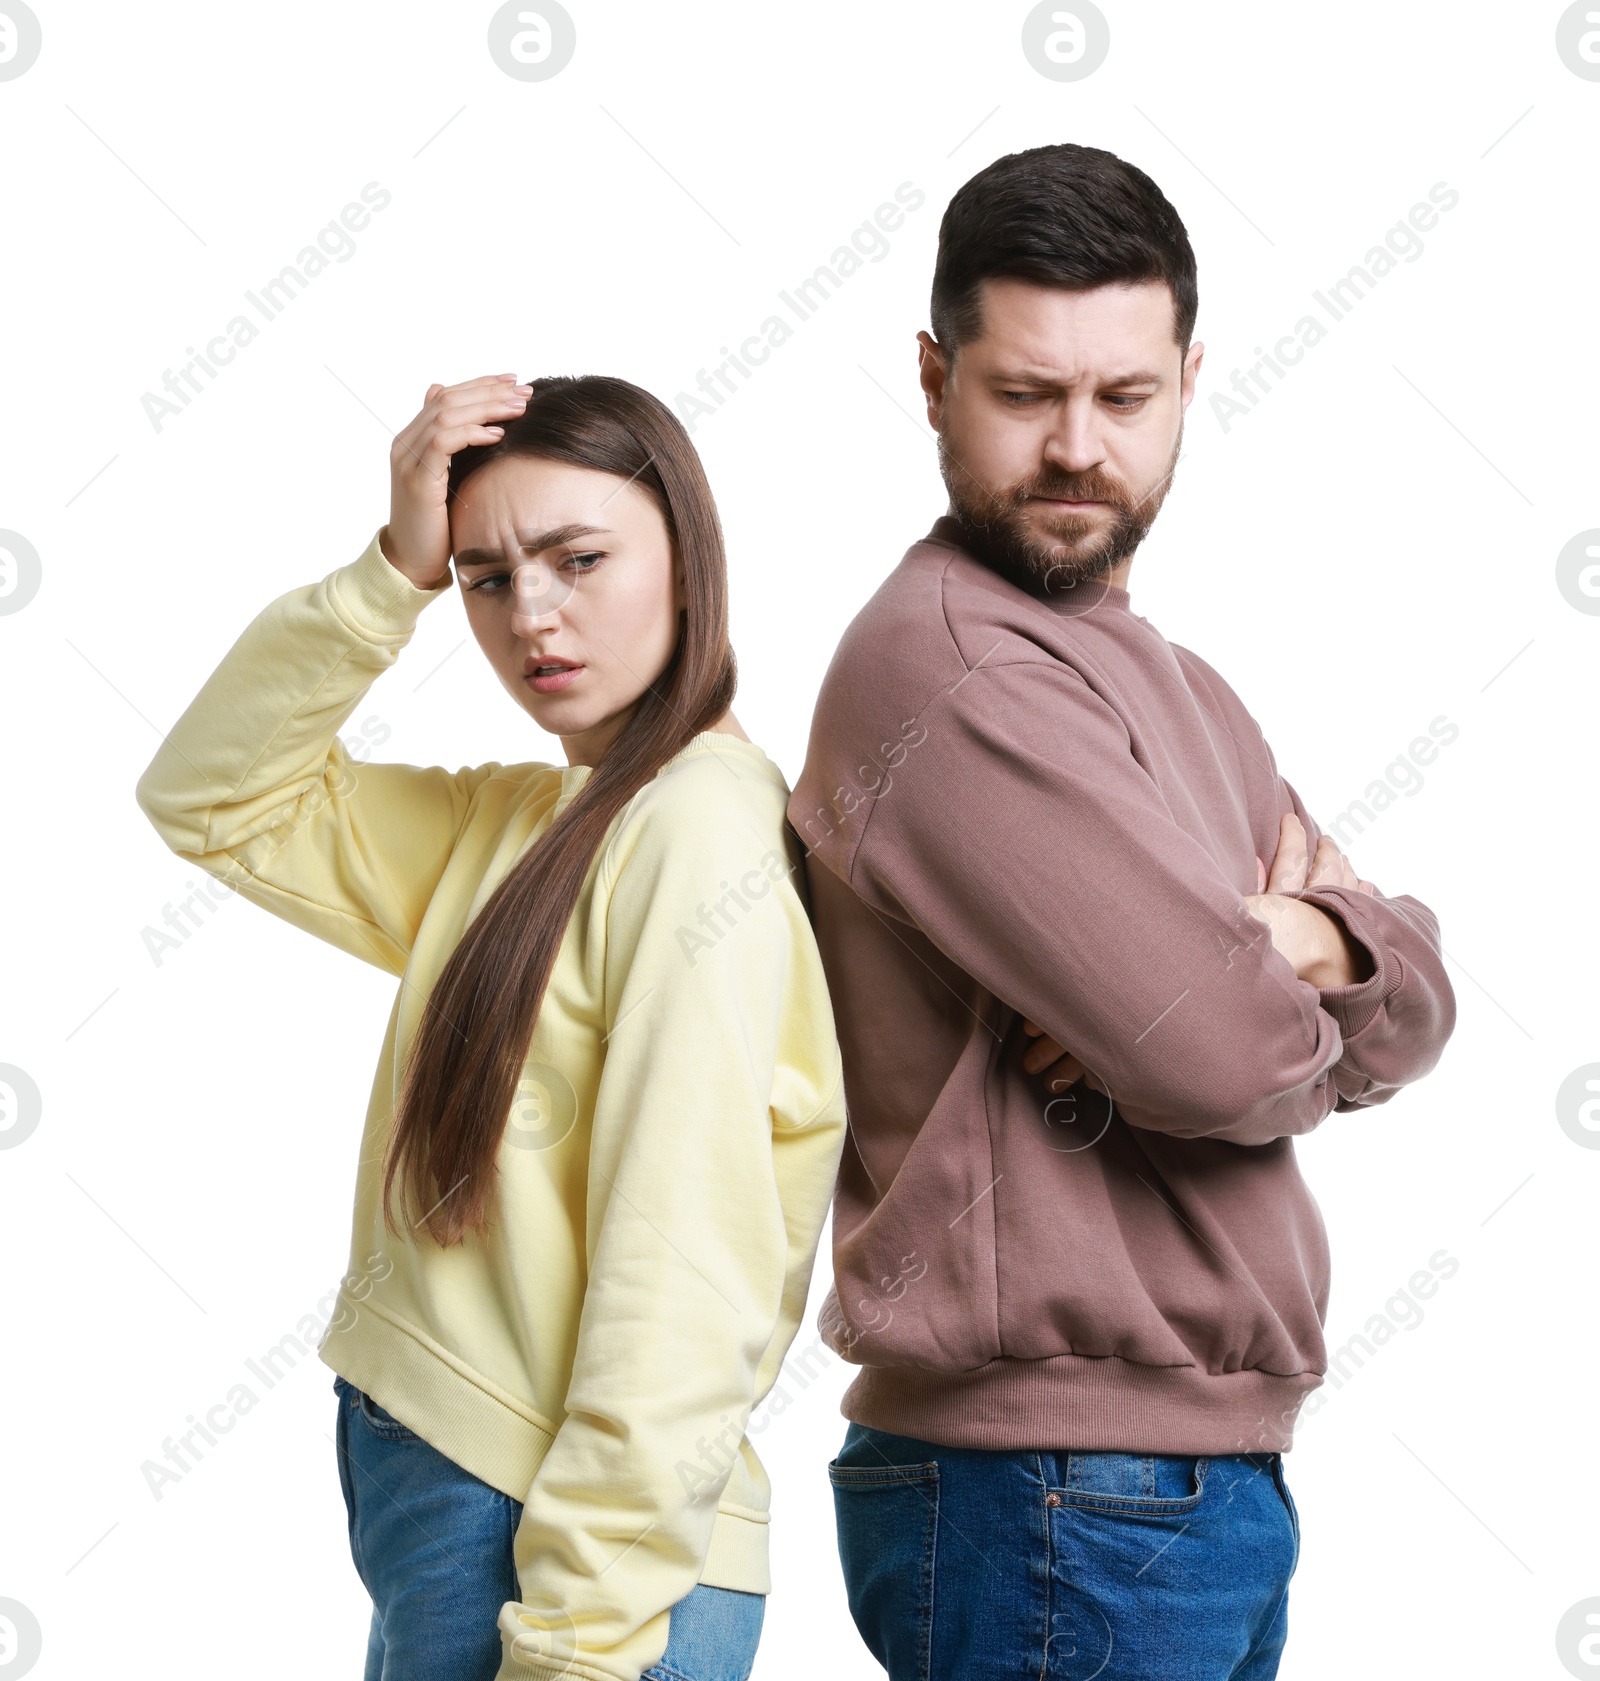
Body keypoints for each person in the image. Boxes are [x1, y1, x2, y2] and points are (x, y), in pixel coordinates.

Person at [789, 144, 1456, 1679]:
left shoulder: (1175, 682)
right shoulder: (952, 670)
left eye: (1125, 397)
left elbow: (1416, 1002)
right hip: (1053, 1488)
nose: (1078, 448)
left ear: (1190, 378)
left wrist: (1306, 938)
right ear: (934, 378)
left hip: (1178, 1479)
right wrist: (1262, 965)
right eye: (1026, 396)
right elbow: (1222, 1059)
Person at [136, 373, 847, 1681]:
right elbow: (211, 796)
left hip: (559, 1561)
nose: (533, 616)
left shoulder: (698, 840)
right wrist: (389, 571)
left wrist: (576, 1646)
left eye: (580, 559)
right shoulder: (519, 822)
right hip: (468, 1519)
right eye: (483, 577)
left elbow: (687, 1280)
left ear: (689, 559)